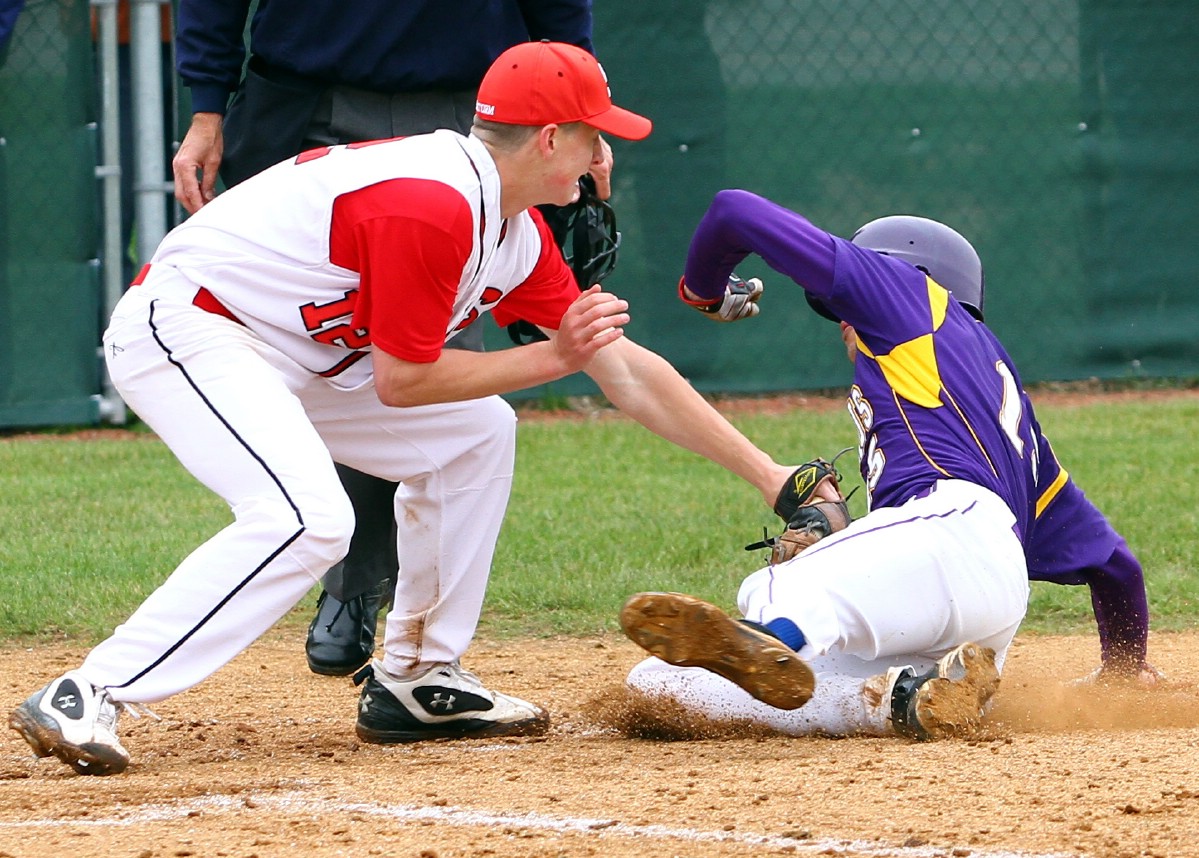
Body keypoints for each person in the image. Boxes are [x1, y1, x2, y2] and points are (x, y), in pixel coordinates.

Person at [8, 42, 797, 776]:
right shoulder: (430, 201)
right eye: (595, 137)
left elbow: (623, 371)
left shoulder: (510, 230)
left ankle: (418, 678)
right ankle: (91, 690)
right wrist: (551, 358)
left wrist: (770, 477)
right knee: (306, 519)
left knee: (475, 433)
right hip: (192, 328)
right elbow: (405, 382)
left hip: (300, 353)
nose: (603, 157)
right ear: (550, 138)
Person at [619, 189, 1159, 741]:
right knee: (660, 685)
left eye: (845, 305)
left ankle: (776, 633)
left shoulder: (909, 296)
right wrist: (1124, 673)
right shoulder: (1014, 426)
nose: (841, 320)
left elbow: (734, 211)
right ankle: (901, 700)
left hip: (950, 529)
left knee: (776, 588)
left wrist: (704, 291)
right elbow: (1115, 567)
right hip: (985, 612)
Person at [172, 0, 610, 676]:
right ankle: (348, 580)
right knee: (312, 346)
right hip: (306, 90)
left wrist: (580, 114)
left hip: (470, 96)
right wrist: (207, 103)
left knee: (445, 394)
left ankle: (405, 638)